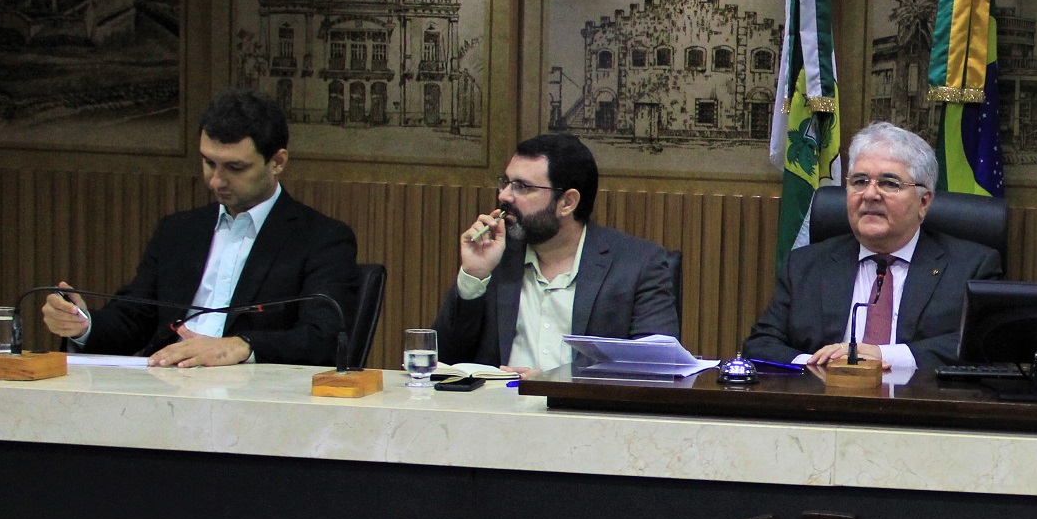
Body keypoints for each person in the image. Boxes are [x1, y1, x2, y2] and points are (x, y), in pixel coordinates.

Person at [39, 88, 357, 367]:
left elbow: (324, 338)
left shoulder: (322, 239)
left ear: (277, 162)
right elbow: (132, 319)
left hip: (251, 395)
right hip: (166, 387)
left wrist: (242, 346)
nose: (216, 181)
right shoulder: (178, 232)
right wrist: (83, 325)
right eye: (208, 163)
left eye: (235, 167)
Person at [743, 121, 1001, 370]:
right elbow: (760, 345)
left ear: (923, 202)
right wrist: (820, 365)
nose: (869, 194)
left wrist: (883, 356)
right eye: (859, 181)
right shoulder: (805, 265)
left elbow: (985, 346)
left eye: (889, 183)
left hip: (920, 398)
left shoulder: (971, 268)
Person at [434, 133, 680, 373]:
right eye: (505, 183)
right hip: (498, 400)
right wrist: (474, 275)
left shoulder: (637, 265)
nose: (504, 195)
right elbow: (443, 360)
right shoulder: (495, 257)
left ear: (567, 202)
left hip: (578, 402)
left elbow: (656, 370)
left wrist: (556, 384)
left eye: (521, 187)